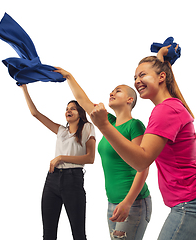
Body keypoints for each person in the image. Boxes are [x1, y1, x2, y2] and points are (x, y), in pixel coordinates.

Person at [88, 45, 196, 240]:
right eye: (135, 77)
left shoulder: (165, 110)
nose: (137, 81)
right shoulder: (171, 105)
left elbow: (142, 161)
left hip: (192, 205)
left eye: (142, 75)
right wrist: (161, 59)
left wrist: (104, 126)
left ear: (161, 77)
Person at [54, 67, 152, 240]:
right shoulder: (109, 123)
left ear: (130, 99)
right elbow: (82, 100)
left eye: (118, 91)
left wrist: (127, 202)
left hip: (133, 202)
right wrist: (68, 76)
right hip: (113, 202)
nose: (111, 93)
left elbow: (143, 167)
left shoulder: (135, 126)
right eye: (112, 90)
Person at [19, 84, 96, 240]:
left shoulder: (87, 127)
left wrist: (61, 157)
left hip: (73, 180)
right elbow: (35, 113)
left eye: (73, 108)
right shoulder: (61, 131)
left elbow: (90, 158)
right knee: (48, 234)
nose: (68, 110)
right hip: (52, 180)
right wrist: (24, 89)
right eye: (67, 108)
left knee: (78, 234)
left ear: (80, 113)